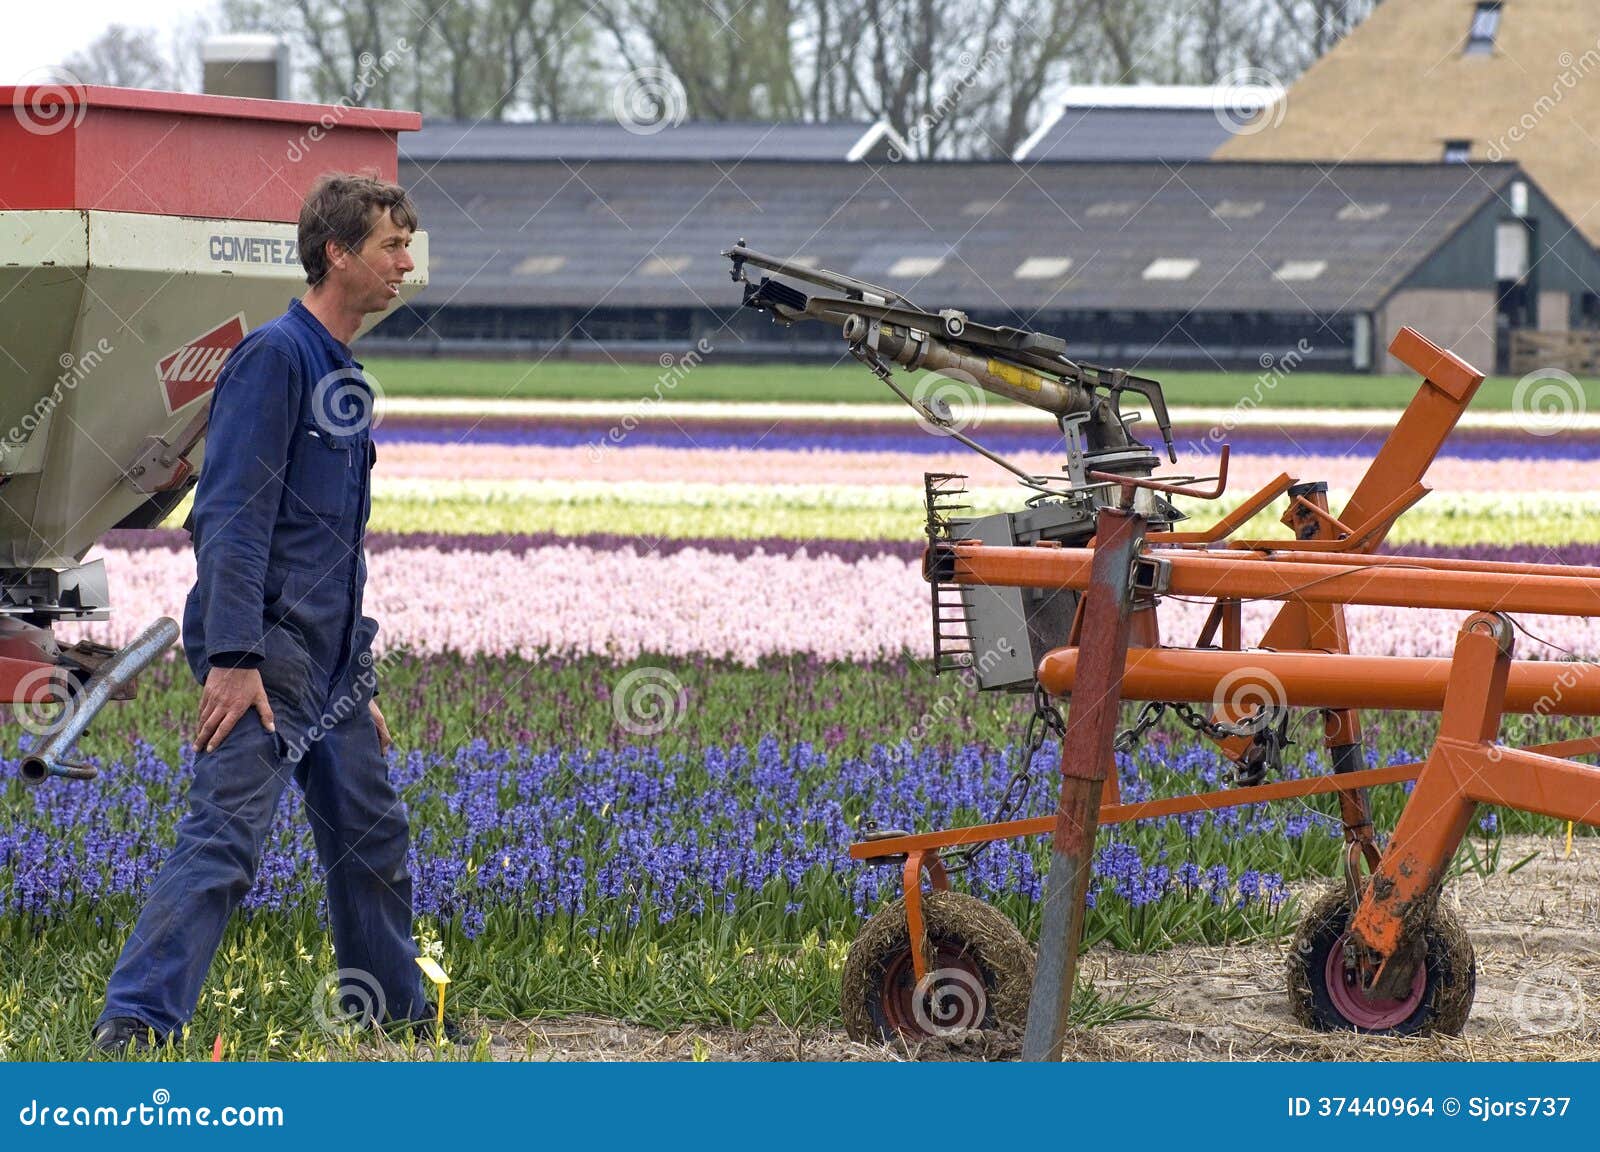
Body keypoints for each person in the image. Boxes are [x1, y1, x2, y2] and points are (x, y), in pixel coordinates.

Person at [94, 173, 453, 1053]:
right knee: (224, 843)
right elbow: (230, 517)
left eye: (406, 247)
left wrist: (356, 672)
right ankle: (135, 1027)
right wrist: (233, 656)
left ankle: (396, 1021)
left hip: (329, 665)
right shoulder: (274, 359)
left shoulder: (342, 371)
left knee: (374, 837)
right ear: (337, 253)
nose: (406, 265)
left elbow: (337, 543)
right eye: (390, 248)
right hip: (265, 659)